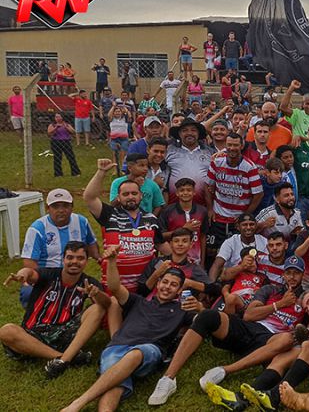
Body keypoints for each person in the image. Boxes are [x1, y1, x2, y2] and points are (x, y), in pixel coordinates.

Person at [60, 246, 199, 412]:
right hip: (117, 347)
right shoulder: (138, 301)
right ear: (158, 283)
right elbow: (115, 288)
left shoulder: (182, 310)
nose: (167, 287)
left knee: (135, 354)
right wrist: (112, 262)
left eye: (174, 285)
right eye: (165, 282)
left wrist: (200, 307)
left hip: (148, 350)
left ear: (179, 290)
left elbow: (205, 322)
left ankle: (77, 403)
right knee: (115, 384)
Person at [147, 257, 300, 408]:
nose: (292, 277)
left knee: (286, 339)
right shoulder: (271, 290)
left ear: (303, 275)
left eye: (296, 273)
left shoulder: (306, 297)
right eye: (289, 273)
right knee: (207, 315)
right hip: (249, 327)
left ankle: (224, 370)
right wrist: (280, 304)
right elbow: (249, 315)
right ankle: (168, 378)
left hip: (271, 340)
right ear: (283, 275)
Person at [1, 241, 108, 378]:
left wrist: (96, 294)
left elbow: (106, 304)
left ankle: (63, 359)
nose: (74, 262)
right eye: (70, 257)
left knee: (97, 308)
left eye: (80, 258)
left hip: (64, 334)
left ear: (87, 261)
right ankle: (65, 358)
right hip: (33, 334)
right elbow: (30, 272)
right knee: (6, 331)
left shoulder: (88, 282)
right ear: (63, 259)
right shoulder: (49, 274)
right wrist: (22, 274)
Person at [84, 158, 167, 293]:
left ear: (141, 196)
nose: (130, 197)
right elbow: (89, 198)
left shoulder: (151, 219)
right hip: (115, 289)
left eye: (134, 193)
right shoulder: (109, 215)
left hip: (146, 287)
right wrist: (101, 172)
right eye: (125, 194)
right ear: (118, 197)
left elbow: (164, 248)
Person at [206, 132, 264, 261]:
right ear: (225, 146)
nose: (232, 148)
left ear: (241, 146)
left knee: (237, 254)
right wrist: (210, 209)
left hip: (237, 220)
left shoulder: (249, 167)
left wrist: (245, 215)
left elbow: (259, 194)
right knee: (211, 252)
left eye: (235, 145)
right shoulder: (217, 162)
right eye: (229, 145)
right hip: (218, 217)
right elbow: (207, 186)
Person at [166, 118, 214, 205]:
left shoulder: (210, 152)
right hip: (174, 205)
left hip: (203, 205)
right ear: (179, 134)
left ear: (198, 133)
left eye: (193, 130)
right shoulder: (169, 151)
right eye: (185, 130)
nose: (189, 133)